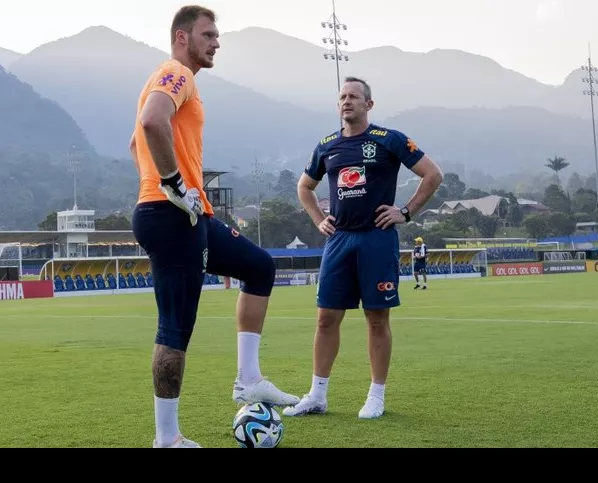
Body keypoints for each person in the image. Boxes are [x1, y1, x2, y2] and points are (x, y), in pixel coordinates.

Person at [128, 5, 299, 448]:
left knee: (260, 267)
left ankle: (248, 380)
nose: (217, 41)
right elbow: (150, 122)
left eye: (217, 34)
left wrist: (179, 188)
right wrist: (169, 184)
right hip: (171, 216)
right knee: (175, 328)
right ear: (182, 37)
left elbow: (136, 141)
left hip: (192, 214)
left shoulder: (178, 81)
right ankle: (167, 438)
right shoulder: (175, 73)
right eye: (208, 33)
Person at [286, 77, 443, 419]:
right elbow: (304, 187)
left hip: (376, 238)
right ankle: (317, 395)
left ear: (368, 105)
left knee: (376, 318)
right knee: (326, 318)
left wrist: (405, 212)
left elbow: (432, 175)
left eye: (354, 97)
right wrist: (318, 219)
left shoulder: (390, 140)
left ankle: (376, 396)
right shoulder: (327, 145)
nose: (347, 101)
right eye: (342, 97)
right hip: (340, 239)